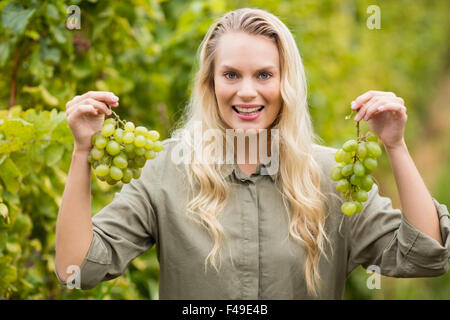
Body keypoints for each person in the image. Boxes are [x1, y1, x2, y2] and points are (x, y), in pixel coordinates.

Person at [55, 8, 449, 299]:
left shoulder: (330, 176)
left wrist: (395, 145)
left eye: (264, 75)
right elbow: (77, 269)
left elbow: (426, 257)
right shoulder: (166, 171)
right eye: (230, 75)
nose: (247, 91)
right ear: (210, 83)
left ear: (286, 84)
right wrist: (81, 151)